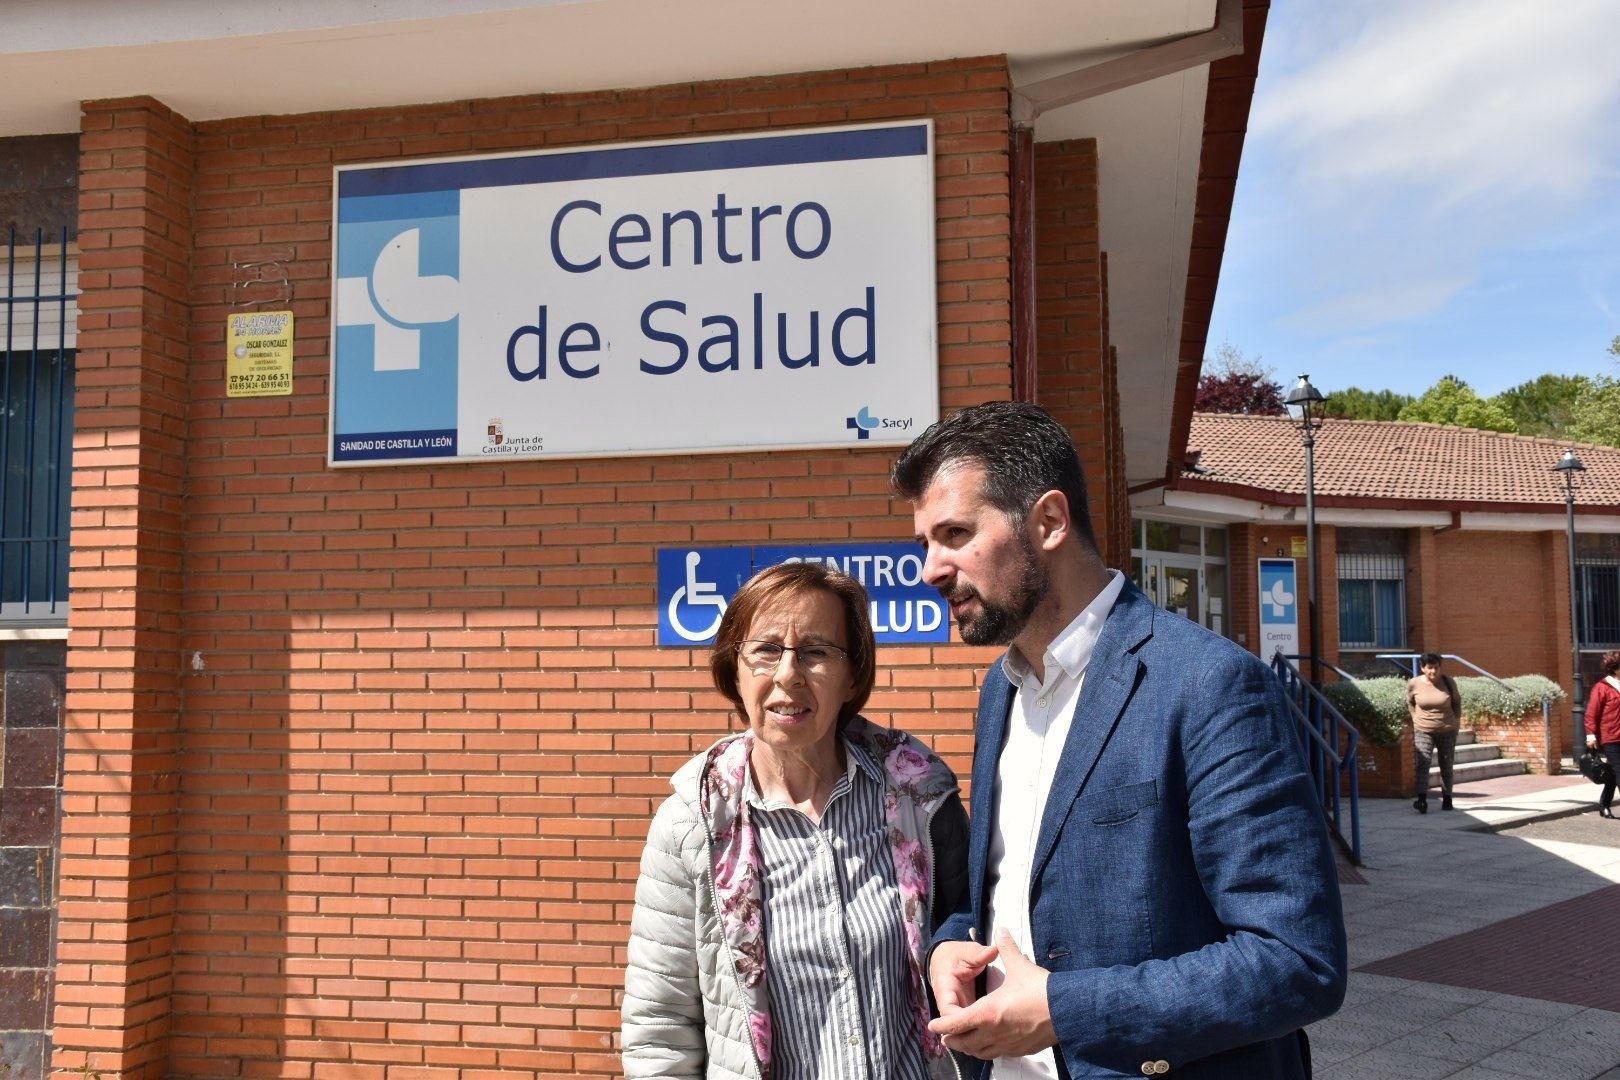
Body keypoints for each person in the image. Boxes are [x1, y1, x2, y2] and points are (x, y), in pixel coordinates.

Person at [892, 401, 1346, 1080]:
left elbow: (1296, 961)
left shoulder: (1210, 686)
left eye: (955, 533)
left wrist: (1065, 1009)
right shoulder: (1000, 690)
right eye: (925, 543)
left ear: (1048, 521)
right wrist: (950, 945)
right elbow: (1011, 886)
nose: (931, 568)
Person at [621, 561, 970, 1080]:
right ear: (733, 672)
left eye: (815, 652)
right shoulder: (692, 825)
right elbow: (660, 1030)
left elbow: (972, 947)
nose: (788, 674)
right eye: (765, 651)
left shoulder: (920, 799)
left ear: (852, 676)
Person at [1407, 652, 1463, 813]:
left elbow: (1457, 702)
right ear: (1422, 668)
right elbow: (1410, 702)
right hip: (1423, 729)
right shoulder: (1414, 683)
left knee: (1446, 764)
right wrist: (1415, 719)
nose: (1433, 672)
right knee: (1423, 763)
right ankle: (1422, 799)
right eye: (1429, 668)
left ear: (1440, 668)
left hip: (1447, 730)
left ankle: (1447, 798)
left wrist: (1456, 721)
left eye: (1436, 668)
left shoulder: (1448, 682)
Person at [1584, 650, 1620, 820]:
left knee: (1614, 773)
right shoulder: (1602, 687)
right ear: (1615, 667)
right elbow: (1592, 713)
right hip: (1610, 737)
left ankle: (1604, 804)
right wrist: (1590, 735)